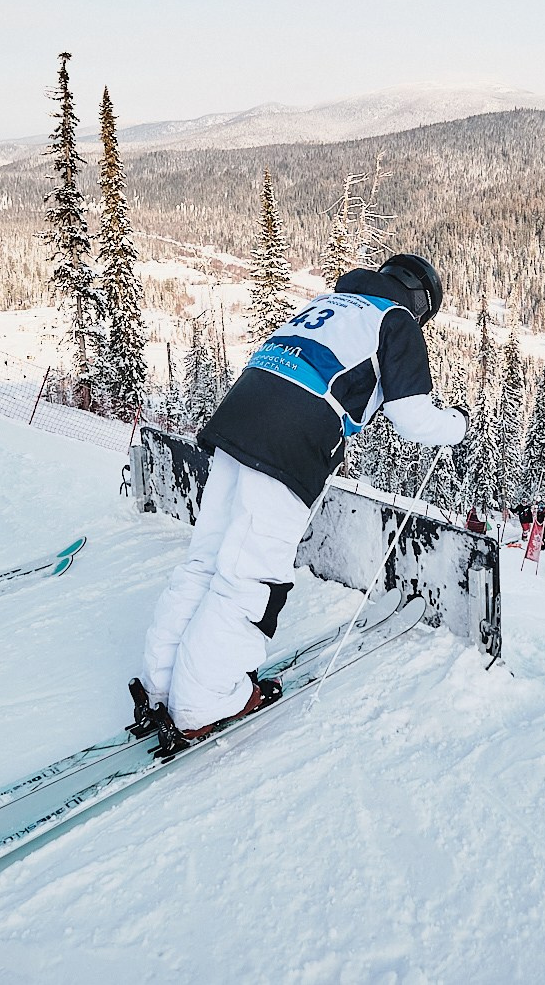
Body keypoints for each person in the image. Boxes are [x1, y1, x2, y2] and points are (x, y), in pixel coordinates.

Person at [139, 253, 468, 740]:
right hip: (291, 438)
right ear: (421, 302)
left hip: (238, 420)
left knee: (207, 558)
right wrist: (456, 424)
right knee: (248, 575)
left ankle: (159, 684)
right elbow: (413, 418)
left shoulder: (334, 303)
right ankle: (200, 703)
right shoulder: (395, 320)